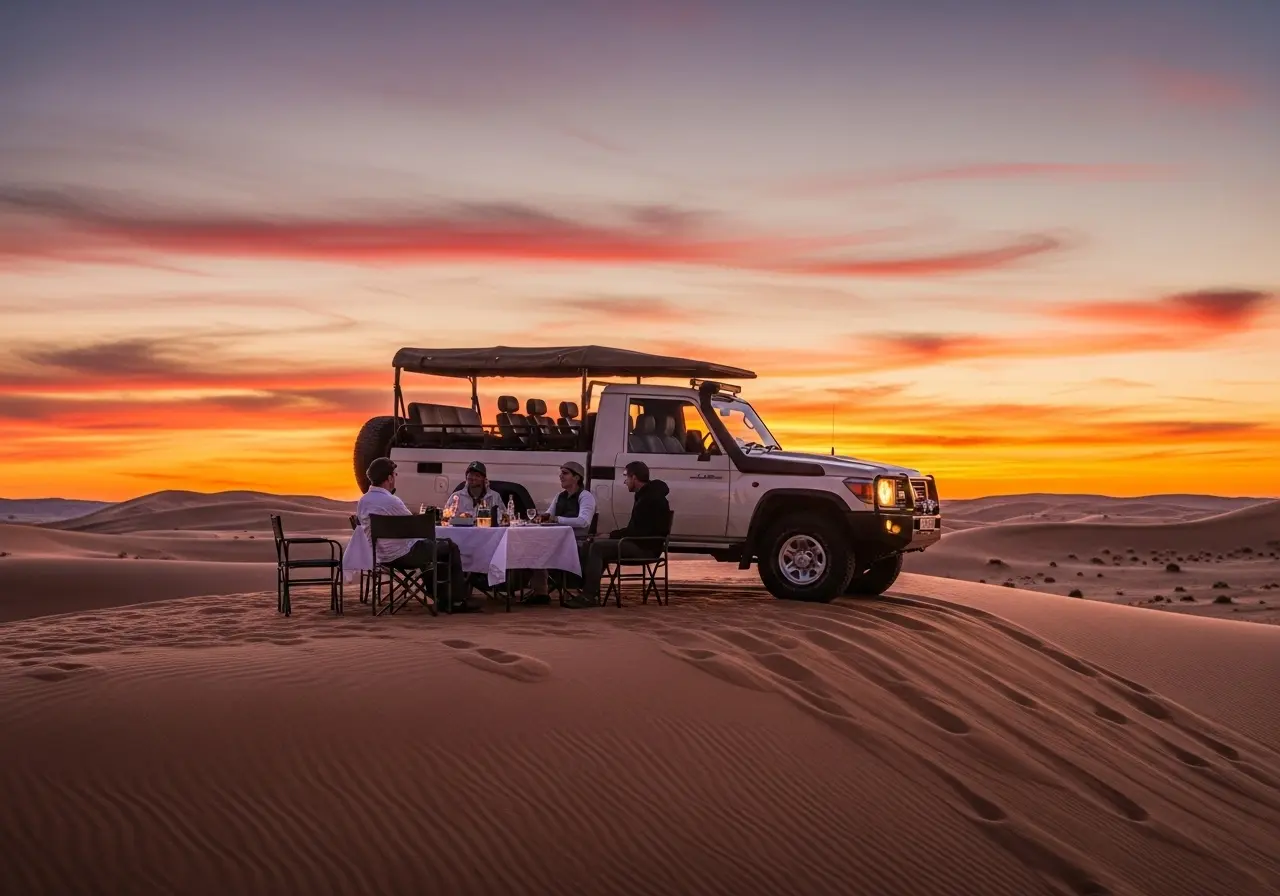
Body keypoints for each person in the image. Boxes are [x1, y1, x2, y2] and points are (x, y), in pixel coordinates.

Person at [357, 457, 472, 610]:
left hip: (381, 557)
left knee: (433, 549)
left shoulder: (363, 501)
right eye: (394, 475)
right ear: (389, 478)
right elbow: (416, 527)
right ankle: (456, 601)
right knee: (449, 547)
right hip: (405, 555)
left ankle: (440, 596)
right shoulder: (392, 501)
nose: (395, 479)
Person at [567, 460, 670, 609]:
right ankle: (585, 587)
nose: (624, 481)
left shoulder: (650, 499)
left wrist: (610, 536)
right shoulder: (646, 495)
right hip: (640, 542)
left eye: (626, 477)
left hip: (645, 547)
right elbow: (636, 529)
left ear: (634, 478)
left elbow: (638, 532)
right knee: (591, 544)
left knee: (597, 547)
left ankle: (588, 595)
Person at [525, 461, 597, 603]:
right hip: (556, 541)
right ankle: (541, 592)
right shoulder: (560, 496)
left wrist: (557, 519)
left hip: (577, 542)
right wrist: (540, 518)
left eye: (565, 473)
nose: (560, 476)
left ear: (577, 478)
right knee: (531, 547)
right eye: (561, 473)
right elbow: (548, 515)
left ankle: (541, 591)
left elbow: (583, 521)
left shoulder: (585, 496)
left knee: (538, 549)